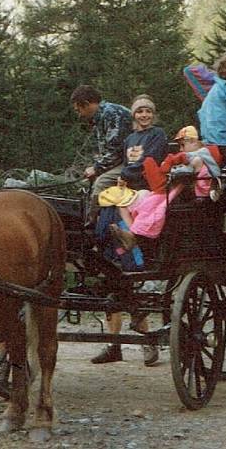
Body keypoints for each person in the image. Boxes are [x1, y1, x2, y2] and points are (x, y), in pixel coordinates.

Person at [90, 94, 167, 366]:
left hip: (143, 196)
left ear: (153, 114)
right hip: (124, 195)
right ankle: (114, 345)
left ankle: (147, 342)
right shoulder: (129, 140)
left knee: (129, 276)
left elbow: (151, 164)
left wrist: (127, 178)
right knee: (114, 276)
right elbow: (123, 164)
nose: (143, 115)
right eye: (139, 111)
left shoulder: (157, 135)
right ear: (133, 115)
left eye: (148, 111)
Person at [109, 125, 220, 252]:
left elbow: (183, 174)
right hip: (181, 190)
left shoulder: (198, 158)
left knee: (155, 205)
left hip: (192, 195)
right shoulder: (196, 157)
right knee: (144, 200)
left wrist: (170, 167)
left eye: (182, 145)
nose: (180, 149)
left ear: (193, 142)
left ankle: (135, 237)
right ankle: (133, 235)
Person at [70, 85, 132, 226]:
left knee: (100, 184)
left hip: (130, 161)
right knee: (88, 184)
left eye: (78, 109)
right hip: (120, 160)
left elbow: (116, 151)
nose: (79, 114)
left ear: (86, 104)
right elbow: (106, 150)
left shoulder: (112, 114)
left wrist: (97, 169)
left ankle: (91, 227)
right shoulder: (101, 117)